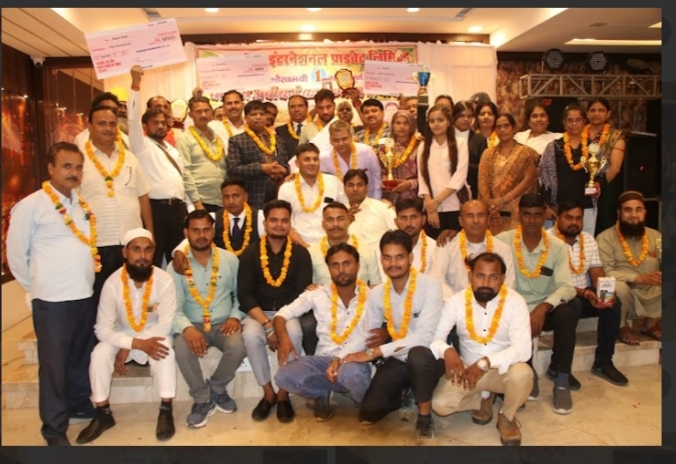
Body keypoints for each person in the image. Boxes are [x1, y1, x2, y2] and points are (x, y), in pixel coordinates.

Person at [7, 142, 99, 446]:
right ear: (50, 168)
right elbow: (16, 255)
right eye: (67, 166)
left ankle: (78, 406)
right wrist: (36, 287)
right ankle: (54, 428)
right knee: (54, 366)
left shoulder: (81, 204)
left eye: (78, 167)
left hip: (83, 294)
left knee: (79, 358)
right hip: (52, 300)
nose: (74, 172)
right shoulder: (31, 205)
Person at [410, 252, 532, 445]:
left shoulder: (515, 302)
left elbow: (524, 349)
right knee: (440, 405)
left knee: (523, 374)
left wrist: (486, 362)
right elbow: (435, 339)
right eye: (480, 275)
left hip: (502, 371)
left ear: (502, 278)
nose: (486, 283)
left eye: (493, 277)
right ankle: (483, 399)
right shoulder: (456, 302)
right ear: (470, 276)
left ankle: (507, 416)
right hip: (468, 371)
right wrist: (447, 351)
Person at [76, 229, 177, 444]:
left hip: (155, 333)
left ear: (154, 252)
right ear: (125, 252)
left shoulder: (165, 280)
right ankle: (103, 413)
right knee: (99, 353)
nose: (142, 256)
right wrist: (131, 343)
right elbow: (102, 329)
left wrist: (133, 346)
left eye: (148, 250)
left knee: (165, 351)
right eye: (136, 250)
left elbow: (166, 324)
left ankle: (166, 410)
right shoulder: (112, 284)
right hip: (122, 334)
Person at [342, 231, 444, 433]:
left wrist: (375, 352)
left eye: (399, 257)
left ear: (410, 258)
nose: (393, 263)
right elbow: (367, 333)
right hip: (398, 357)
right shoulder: (378, 293)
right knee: (368, 412)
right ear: (381, 260)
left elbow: (424, 337)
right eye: (387, 257)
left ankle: (425, 416)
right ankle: (407, 392)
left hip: (429, 357)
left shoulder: (430, 286)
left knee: (418, 355)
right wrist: (341, 357)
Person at [273, 244, 374, 422]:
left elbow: (371, 334)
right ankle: (321, 393)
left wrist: (340, 360)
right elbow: (282, 314)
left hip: (355, 360)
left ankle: (362, 400)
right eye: (335, 265)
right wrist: (284, 338)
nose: (341, 270)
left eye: (346, 263)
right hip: (323, 359)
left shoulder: (373, 296)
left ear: (358, 266)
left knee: (351, 374)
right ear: (329, 269)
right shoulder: (318, 294)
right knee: (283, 376)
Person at [495, 194, 577, 415]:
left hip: (544, 307)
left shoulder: (557, 246)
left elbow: (567, 287)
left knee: (567, 313)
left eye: (537, 215)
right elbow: (475, 244)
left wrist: (543, 307)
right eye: (527, 215)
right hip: (515, 308)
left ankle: (562, 379)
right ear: (519, 214)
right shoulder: (502, 241)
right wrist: (451, 234)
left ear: (545, 216)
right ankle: (528, 372)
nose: (532, 221)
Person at [168, 210, 246, 428]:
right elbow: (173, 307)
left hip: (224, 323)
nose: (201, 235)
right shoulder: (176, 266)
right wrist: (186, 329)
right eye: (195, 230)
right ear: (186, 233)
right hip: (192, 323)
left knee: (239, 346)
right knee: (181, 347)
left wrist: (235, 317)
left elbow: (242, 296)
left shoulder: (230, 260)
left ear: (213, 231)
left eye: (206, 230)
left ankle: (217, 387)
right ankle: (202, 399)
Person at [237, 200, 313, 422]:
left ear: (290, 223)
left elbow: (300, 295)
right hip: (257, 313)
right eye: (274, 220)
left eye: (284, 220)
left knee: (295, 333)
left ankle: (283, 393)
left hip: (288, 312)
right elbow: (245, 294)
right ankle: (268, 393)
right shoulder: (250, 253)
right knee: (251, 336)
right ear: (265, 223)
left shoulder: (301, 255)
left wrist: (279, 324)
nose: (279, 225)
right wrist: (268, 326)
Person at [79, 103, 152, 307]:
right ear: (90, 126)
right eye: (102, 123)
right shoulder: (79, 160)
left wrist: (149, 234)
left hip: (130, 242)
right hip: (97, 242)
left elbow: (143, 197)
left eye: (112, 124)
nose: (108, 129)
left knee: (130, 296)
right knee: (100, 299)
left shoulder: (130, 158)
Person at [549, 201, 628, 385]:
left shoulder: (588, 239)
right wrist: (585, 294)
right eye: (568, 218)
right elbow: (554, 282)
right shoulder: (547, 240)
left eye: (578, 218)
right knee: (573, 305)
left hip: (584, 293)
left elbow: (596, 272)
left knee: (612, 303)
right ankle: (558, 366)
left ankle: (603, 361)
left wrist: (604, 293)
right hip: (558, 295)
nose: (574, 222)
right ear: (558, 218)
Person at [302, 202, 382, 357]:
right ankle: (317, 363)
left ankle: (361, 361)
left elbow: (375, 285)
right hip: (324, 309)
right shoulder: (311, 253)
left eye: (340, 219)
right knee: (307, 325)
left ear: (349, 220)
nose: (335, 224)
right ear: (323, 224)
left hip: (359, 307)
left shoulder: (366, 250)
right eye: (330, 220)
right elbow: (308, 286)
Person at [128, 66, 187, 268]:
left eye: (163, 122)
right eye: (155, 122)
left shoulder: (173, 150)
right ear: (146, 126)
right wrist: (135, 85)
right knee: (153, 257)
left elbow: (182, 182)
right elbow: (132, 119)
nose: (160, 126)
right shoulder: (141, 146)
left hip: (178, 210)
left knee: (178, 258)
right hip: (155, 210)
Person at [596, 191, 662, 345]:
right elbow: (606, 272)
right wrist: (639, 278)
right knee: (614, 286)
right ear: (618, 213)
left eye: (638, 210)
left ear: (645, 212)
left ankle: (650, 324)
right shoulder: (604, 238)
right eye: (628, 210)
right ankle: (621, 326)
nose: (633, 215)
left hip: (650, 289)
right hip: (624, 289)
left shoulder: (656, 237)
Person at [172, 178, 265, 270]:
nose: (231, 201)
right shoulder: (213, 218)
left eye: (235, 196)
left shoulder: (260, 218)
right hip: (222, 273)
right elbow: (195, 235)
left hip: (253, 271)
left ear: (245, 197)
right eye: (226, 197)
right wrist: (179, 250)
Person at [539, 103, 601, 236]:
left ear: (584, 122)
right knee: (556, 244)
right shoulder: (554, 147)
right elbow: (544, 179)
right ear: (564, 123)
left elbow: (602, 172)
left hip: (586, 205)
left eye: (578, 120)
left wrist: (598, 183)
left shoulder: (593, 147)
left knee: (585, 242)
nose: (574, 124)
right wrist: (547, 205)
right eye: (570, 120)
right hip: (559, 206)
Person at [430, 200, 516, 295]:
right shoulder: (446, 245)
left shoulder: (503, 249)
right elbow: (436, 279)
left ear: (488, 220)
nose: (476, 221)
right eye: (470, 216)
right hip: (453, 301)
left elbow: (508, 285)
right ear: (460, 221)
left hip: (494, 302)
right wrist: (456, 301)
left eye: (481, 215)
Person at [478, 113, 540, 234]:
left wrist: (504, 200)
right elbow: (482, 182)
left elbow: (527, 181)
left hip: (517, 210)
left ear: (514, 128)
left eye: (506, 126)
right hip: (493, 212)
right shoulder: (487, 154)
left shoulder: (526, 153)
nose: (502, 130)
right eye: (498, 127)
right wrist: (490, 205)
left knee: (515, 242)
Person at [278, 143, 347, 248]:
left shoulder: (333, 182)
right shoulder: (286, 188)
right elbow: (284, 223)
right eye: (307, 159)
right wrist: (304, 246)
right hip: (299, 246)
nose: (312, 163)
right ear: (297, 163)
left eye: (315, 159)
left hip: (331, 245)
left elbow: (345, 214)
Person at [226, 100, 290, 210]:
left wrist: (283, 170)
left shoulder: (278, 140)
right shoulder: (237, 141)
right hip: (252, 197)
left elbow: (286, 165)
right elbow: (233, 169)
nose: (258, 117)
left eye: (261, 114)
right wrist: (262, 168)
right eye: (253, 114)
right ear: (246, 117)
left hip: (277, 195)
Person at [417, 104, 469, 239]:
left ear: (449, 122)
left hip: (455, 204)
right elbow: (422, 178)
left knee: (456, 244)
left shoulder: (460, 144)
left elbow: (459, 177)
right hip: (431, 207)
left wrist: (436, 202)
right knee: (434, 245)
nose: (436, 124)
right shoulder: (423, 147)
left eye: (440, 120)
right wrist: (430, 207)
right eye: (432, 121)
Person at [176, 96, 227, 213]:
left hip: (220, 200)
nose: (203, 115)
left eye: (206, 110)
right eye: (199, 111)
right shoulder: (184, 139)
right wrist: (197, 203)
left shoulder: (217, 137)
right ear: (190, 115)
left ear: (211, 112)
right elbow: (185, 172)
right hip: (200, 200)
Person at [585, 98, 627, 235]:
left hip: (606, 187)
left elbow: (615, 168)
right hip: (581, 186)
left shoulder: (616, 136)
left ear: (608, 114)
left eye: (601, 110)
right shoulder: (579, 133)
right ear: (587, 114)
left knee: (604, 226)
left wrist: (599, 184)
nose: (596, 114)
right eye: (592, 110)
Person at [376, 197, 438, 282]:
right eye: (403, 218)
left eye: (414, 217)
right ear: (396, 222)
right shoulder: (384, 247)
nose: (408, 223)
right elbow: (385, 280)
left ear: (423, 220)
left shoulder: (435, 248)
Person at [319, 120, 383, 199]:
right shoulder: (324, 159)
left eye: (344, 139)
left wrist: (377, 199)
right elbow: (326, 185)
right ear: (330, 140)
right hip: (341, 201)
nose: (341, 143)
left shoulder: (366, 151)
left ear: (351, 137)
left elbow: (377, 175)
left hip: (370, 199)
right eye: (336, 140)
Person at [344, 169, 396, 247]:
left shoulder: (383, 208)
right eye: (351, 185)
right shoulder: (340, 213)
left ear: (366, 187)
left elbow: (397, 236)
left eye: (360, 185)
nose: (355, 189)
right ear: (344, 188)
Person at [380, 110, 421, 204]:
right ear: (393, 126)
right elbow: (382, 172)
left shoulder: (420, 146)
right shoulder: (385, 148)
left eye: (406, 123)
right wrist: (384, 180)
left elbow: (427, 176)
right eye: (398, 123)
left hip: (413, 198)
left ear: (411, 126)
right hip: (390, 198)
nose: (402, 126)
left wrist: (410, 184)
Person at [453, 101, 487, 200]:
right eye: (461, 116)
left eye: (469, 116)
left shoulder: (480, 140)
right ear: (454, 117)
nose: (466, 119)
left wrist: (461, 165)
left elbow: (483, 168)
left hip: (472, 188)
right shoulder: (446, 138)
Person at [276, 95, 310, 161]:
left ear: (307, 108)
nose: (296, 109)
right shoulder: (280, 131)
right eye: (292, 107)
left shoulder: (315, 128)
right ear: (289, 110)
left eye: (300, 106)